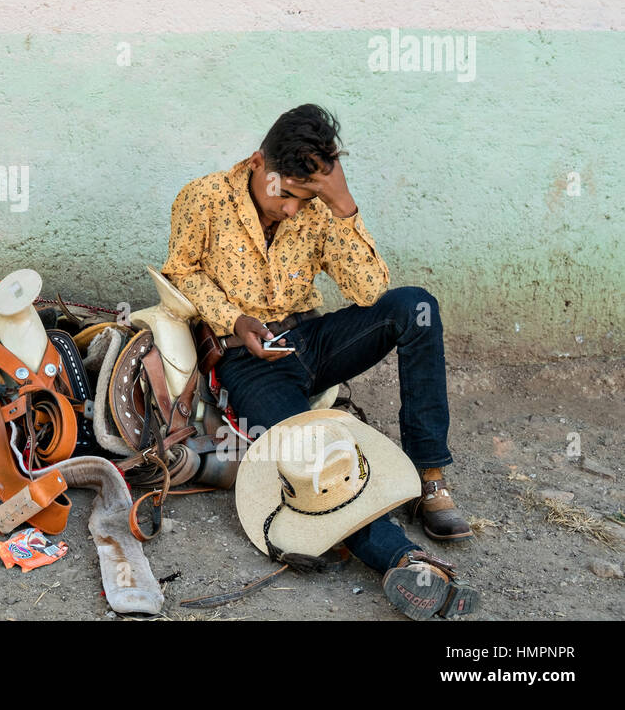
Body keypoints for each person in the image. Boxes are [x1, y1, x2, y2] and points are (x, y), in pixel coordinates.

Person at [161, 104, 477, 619]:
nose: (291, 210)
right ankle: (405, 560)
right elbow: (182, 273)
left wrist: (341, 203)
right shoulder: (204, 197)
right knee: (311, 459)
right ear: (258, 162)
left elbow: (369, 289)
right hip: (248, 360)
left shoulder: (319, 210)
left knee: (414, 307)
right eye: (284, 193)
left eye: (305, 197)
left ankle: (429, 478)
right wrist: (237, 322)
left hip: (311, 338)